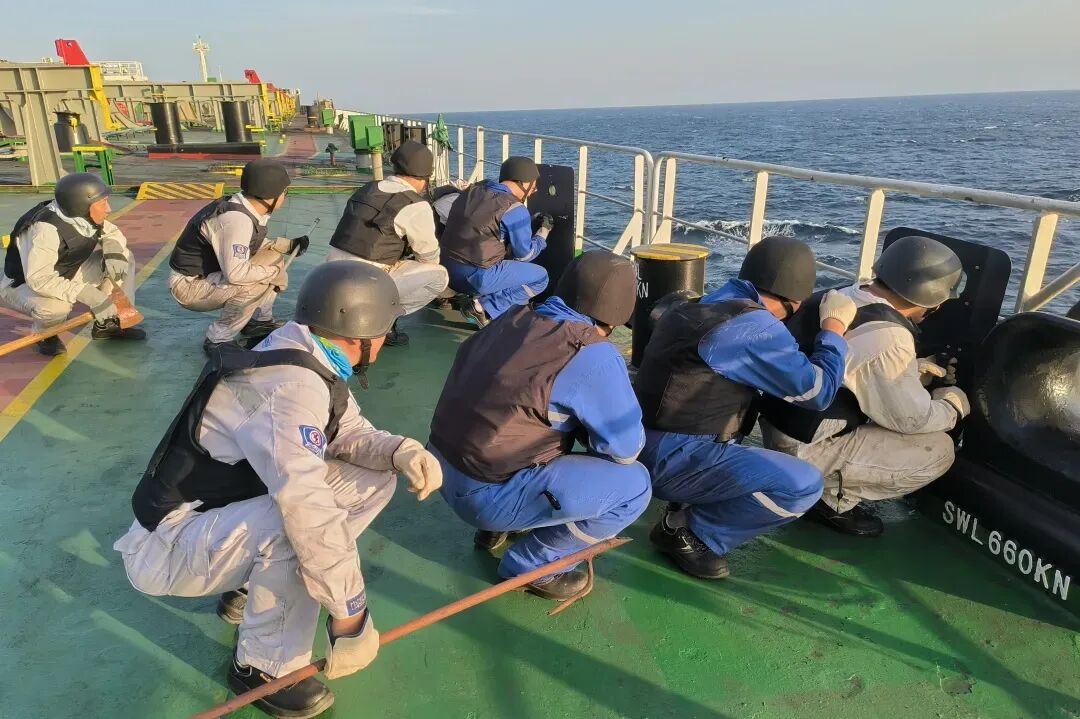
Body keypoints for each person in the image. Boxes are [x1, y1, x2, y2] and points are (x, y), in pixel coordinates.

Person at [113, 261, 443, 719]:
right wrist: (350, 613)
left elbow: (346, 432)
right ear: (365, 337)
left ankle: (252, 586)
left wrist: (398, 450)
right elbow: (305, 507)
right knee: (297, 529)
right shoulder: (289, 390)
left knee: (372, 477)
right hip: (169, 547)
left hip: (210, 520)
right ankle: (262, 668)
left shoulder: (304, 351)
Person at [428, 252, 651, 600]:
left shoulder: (510, 318)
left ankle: (494, 529)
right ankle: (531, 565)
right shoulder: (592, 352)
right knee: (635, 486)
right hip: (484, 495)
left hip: (438, 469)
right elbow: (625, 450)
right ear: (620, 311)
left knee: (530, 428)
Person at [635, 236, 857, 579]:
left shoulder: (700, 304)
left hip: (641, 442)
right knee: (802, 484)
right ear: (796, 300)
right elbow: (817, 392)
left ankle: (686, 503)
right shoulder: (752, 329)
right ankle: (689, 534)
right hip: (671, 461)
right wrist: (834, 331)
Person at [760, 235, 969, 537]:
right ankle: (829, 500)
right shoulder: (892, 338)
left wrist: (913, 368)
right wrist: (952, 403)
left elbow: (855, 360)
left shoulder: (840, 296)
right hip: (802, 449)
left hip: (778, 425)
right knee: (939, 450)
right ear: (932, 299)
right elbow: (911, 419)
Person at [168, 159, 309, 355]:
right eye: (285, 192)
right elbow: (236, 274)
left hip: (204, 276)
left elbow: (247, 243)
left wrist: (287, 245)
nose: (285, 196)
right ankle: (218, 339)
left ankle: (258, 322)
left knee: (273, 258)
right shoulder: (236, 220)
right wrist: (273, 273)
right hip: (189, 286)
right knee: (256, 281)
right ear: (271, 195)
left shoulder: (241, 206)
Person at [0, 172, 145, 355]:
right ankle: (45, 334)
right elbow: (39, 279)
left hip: (65, 272)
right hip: (24, 285)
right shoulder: (44, 230)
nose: (108, 209)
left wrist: (113, 247)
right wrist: (89, 295)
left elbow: (110, 232)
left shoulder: (80, 216)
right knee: (56, 309)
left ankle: (109, 323)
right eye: (102, 203)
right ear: (81, 205)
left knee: (123, 258)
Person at [326, 140, 450, 347]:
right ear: (425, 178)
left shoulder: (367, 188)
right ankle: (382, 321)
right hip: (362, 286)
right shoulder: (416, 205)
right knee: (439, 275)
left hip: (330, 277)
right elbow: (428, 257)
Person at [439, 156, 553, 327]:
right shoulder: (514, 208)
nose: (533, 191)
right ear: (524, 183)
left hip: (446, 269)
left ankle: (477, 298)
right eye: (533, 186)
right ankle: (483, 308)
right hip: (473, 278)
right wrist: (543, 233)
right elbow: (525, 255)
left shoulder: (471, 191)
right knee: (541, 277)